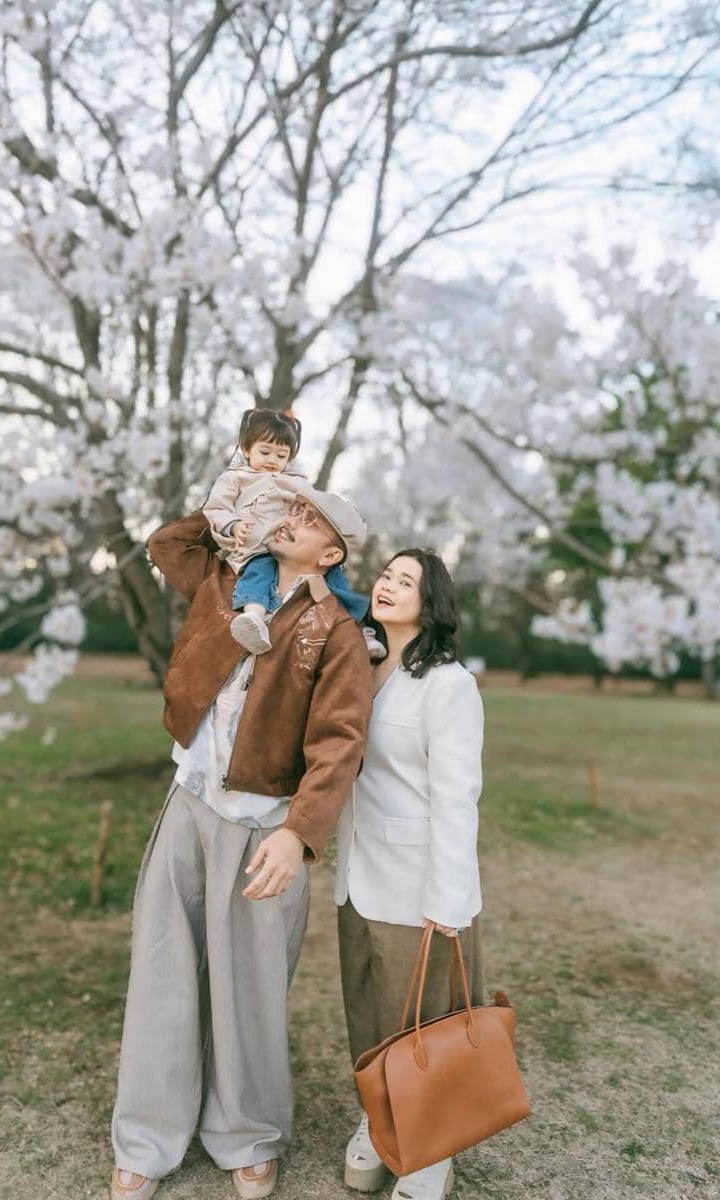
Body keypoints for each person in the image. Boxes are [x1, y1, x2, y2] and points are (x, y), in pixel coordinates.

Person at [110, 488, 374, 1200]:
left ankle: (246, 1133)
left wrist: (300, 834)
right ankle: (146, 1138)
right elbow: (167, 545)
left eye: (310, 519)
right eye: (293, 509)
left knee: (250, 985)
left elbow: (340, 743)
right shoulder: (226, 577)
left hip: (266, 824)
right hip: (190, 798)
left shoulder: (337, 631)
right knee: (162, 968)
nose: (293, 518)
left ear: (332, 553)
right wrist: (233, 499)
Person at [334, 549, 485, 1200]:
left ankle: (429, 1150)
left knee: (421, 1022)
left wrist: (449, 899)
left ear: (432, 603)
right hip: (355, 874)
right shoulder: (360, 665)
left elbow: (457, 797)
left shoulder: (449, 684)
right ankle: (379, 1122)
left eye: (406, 581)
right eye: (386, 575)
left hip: (418, 883)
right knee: (367, 1012)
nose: (388, 585)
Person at [203, 408, 381, 657]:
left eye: (281, 455)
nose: (272, 460)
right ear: (246, 449)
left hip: (290, 546)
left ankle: (360, 630)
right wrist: (233, 525)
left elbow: (317, 506)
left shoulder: (296, 480)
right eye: (265, 452)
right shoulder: (236, 478)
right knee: (259, 574)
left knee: (337, 579)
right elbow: (216, 508)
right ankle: (254, 617)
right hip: (258, 547)